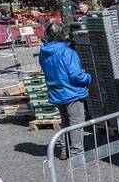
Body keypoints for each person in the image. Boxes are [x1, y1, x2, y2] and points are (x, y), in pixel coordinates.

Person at [38, 21, 93, 159]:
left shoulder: (43, 52)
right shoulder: (67, 52)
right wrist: (88, 77)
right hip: (71, 91)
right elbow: (76, 75)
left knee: (65, 121)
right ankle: (76, 153)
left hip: (56, 90)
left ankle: (65, 149)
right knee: (75, 122)